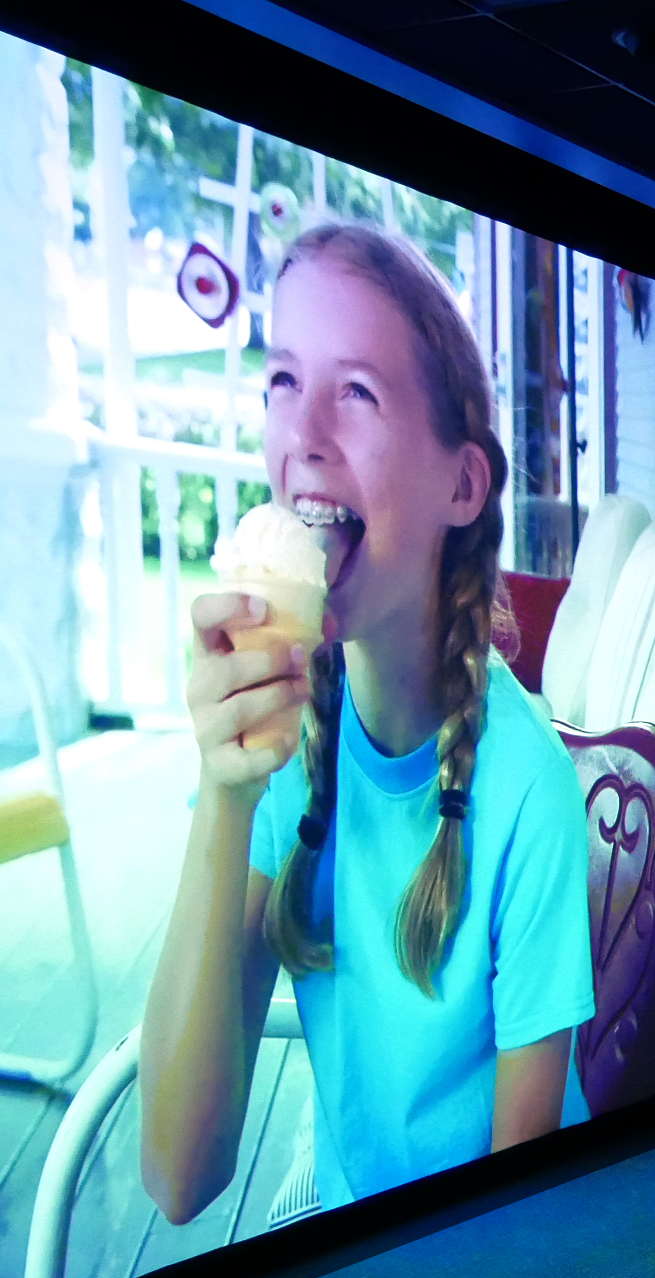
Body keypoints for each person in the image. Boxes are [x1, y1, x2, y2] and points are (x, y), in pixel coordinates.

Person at [140, 221, 594, 1226]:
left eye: (356, 392)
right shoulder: (285, 750)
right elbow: (179, 1176)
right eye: (283, 380)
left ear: (461, 485)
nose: (302, 436)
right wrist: (225, 793)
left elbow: (520, 1216)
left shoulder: (528, 797)